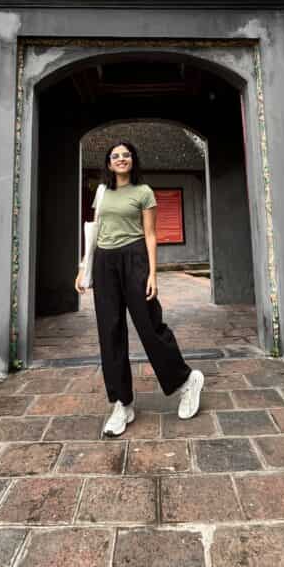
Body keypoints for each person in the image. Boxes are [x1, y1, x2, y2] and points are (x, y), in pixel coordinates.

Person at [76, 140, 204, 436]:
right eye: (115, 156)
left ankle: (186, 381)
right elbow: (94, 230)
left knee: (149, 325)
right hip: (105, 263)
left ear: (133, 160)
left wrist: (153, 275)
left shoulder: (144, 193)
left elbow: (150, 235)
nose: (121, 159)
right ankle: (122, 403)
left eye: (126, 155)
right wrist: (84, 267)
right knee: (110, 332)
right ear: (108, 163)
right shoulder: (103, 192)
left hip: (134, 259)